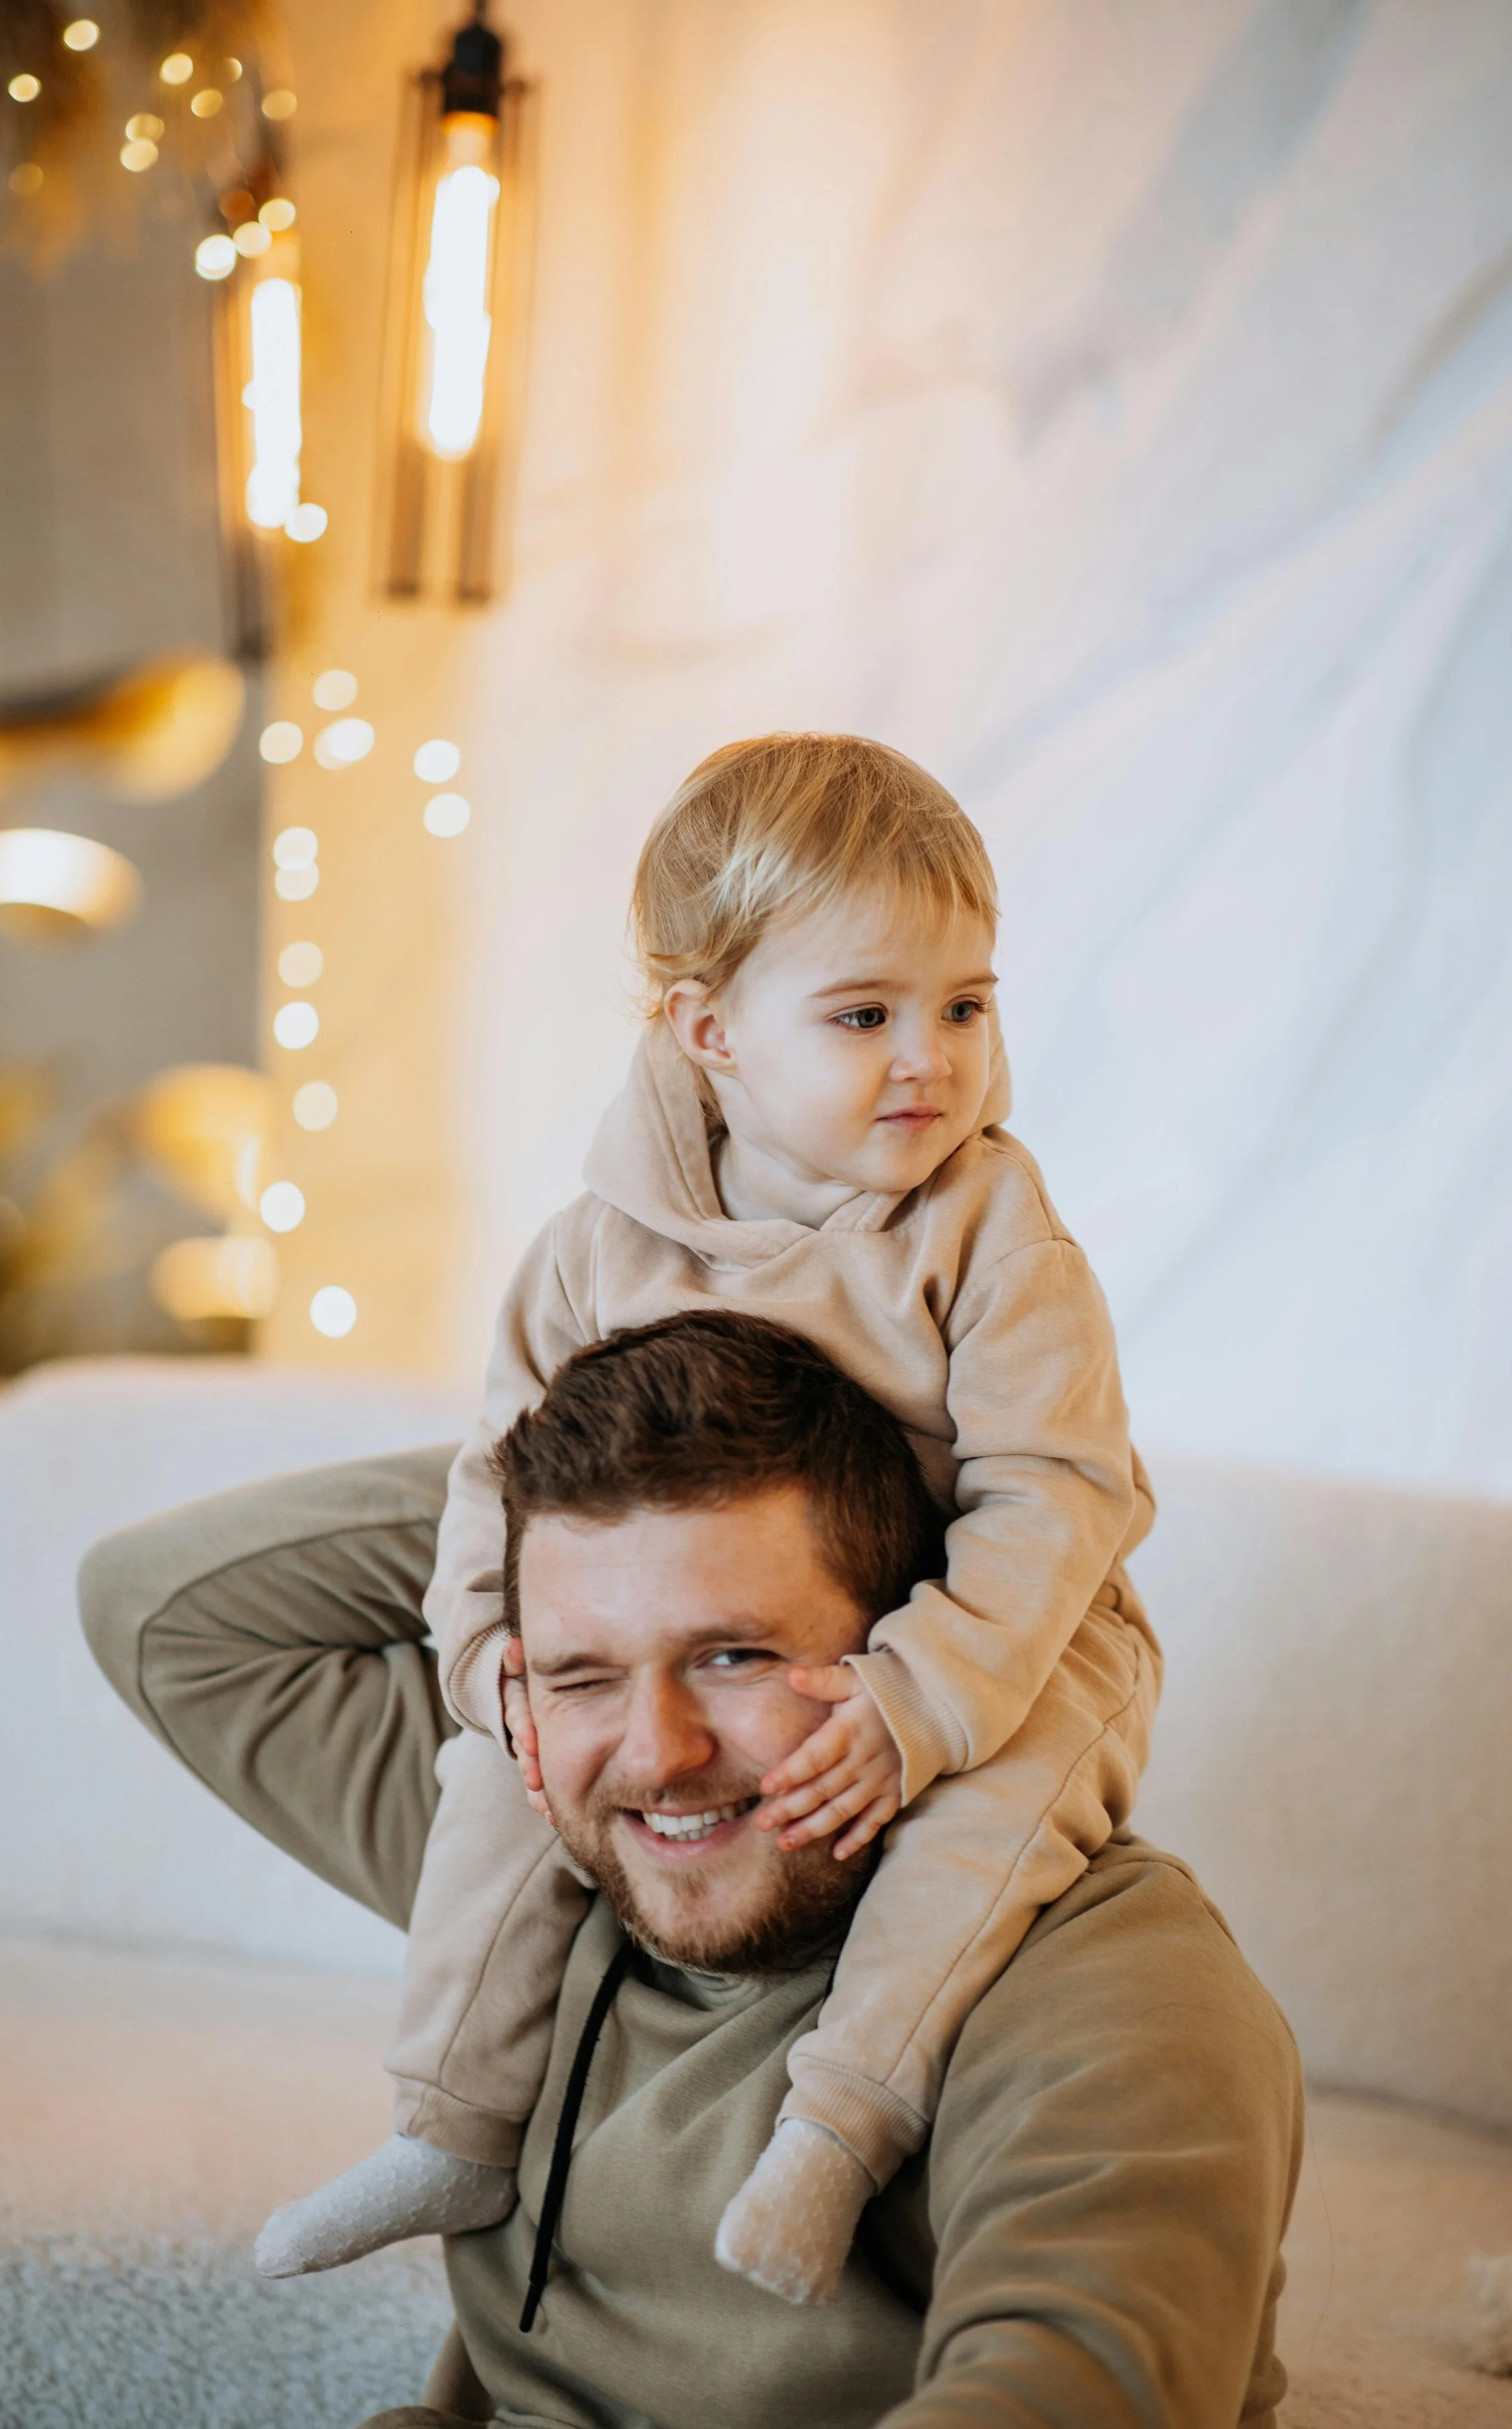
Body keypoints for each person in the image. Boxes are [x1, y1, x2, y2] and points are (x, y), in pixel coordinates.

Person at [79, 1312, 1302, 2429]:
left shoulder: (1113, 1977)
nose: (659, 1757)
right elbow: (160, 1611)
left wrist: (989, 1552)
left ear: (910, 1640)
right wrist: (533, 1511)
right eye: (582, 1670)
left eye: (734, 1655)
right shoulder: (558, 1877)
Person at [256, 732, 1163, 2308]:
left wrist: (915, 1694)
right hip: (712, 1646)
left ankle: (836, 2125)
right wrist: (492, 1661)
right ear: (710, 1031)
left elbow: (1055, 1489)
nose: (927, 1061)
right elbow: (500, 1473)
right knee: (508, 1769)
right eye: (863, 1016)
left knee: (988, 1816)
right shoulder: (597, 1247)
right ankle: (456, 2118)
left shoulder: (992, 1228)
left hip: (986, 1631)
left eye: (964, 1005)